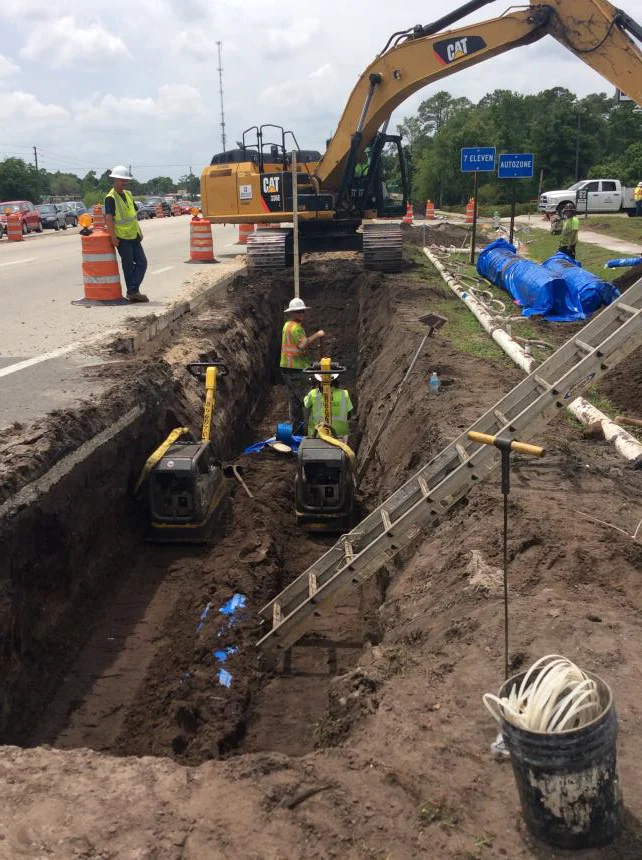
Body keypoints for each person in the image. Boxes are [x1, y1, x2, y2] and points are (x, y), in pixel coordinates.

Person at [280, 297, 325, 435]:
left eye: (302, 312)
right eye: (298, 312)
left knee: (294, 401)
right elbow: (302, 345)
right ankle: (310, 431)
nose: (301, 314)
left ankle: (296, 431)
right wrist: (317, 335)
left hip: (286, 368)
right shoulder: (297, 328)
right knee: (307, 400)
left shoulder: (287, 325)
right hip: (296, 369)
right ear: (292, 313)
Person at [104, 165, 149, 303]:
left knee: (142, 262)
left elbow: (132, 214)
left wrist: (139, 231)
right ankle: (133, 291)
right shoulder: (110, 197)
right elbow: (109, 219)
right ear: (115, 180)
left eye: (126, 181)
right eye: (122, 180)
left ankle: (132, 290)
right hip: (122, 237)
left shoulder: (128, 194)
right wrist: (113, 238)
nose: (124, 183)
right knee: (128, 265)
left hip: (134, 235)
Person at [304, 364, 353, 442]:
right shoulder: (344, 393)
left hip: (317, 435)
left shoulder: (312, 394)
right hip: (340, 436)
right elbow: (349, 415)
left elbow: (306, 405)